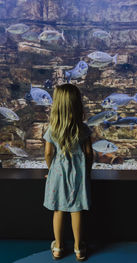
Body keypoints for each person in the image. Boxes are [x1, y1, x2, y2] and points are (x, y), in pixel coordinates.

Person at [43, 83, 94, 261]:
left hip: (58, 172)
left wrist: (51, 170)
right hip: (78, 174)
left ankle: (58, 247)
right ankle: (78, 249)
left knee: (58, 210)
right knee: (76, 209)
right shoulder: (84, 128)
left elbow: (49, 153)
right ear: (77, 103)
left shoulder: (52, 128)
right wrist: (87, 171)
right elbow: (88, 153)